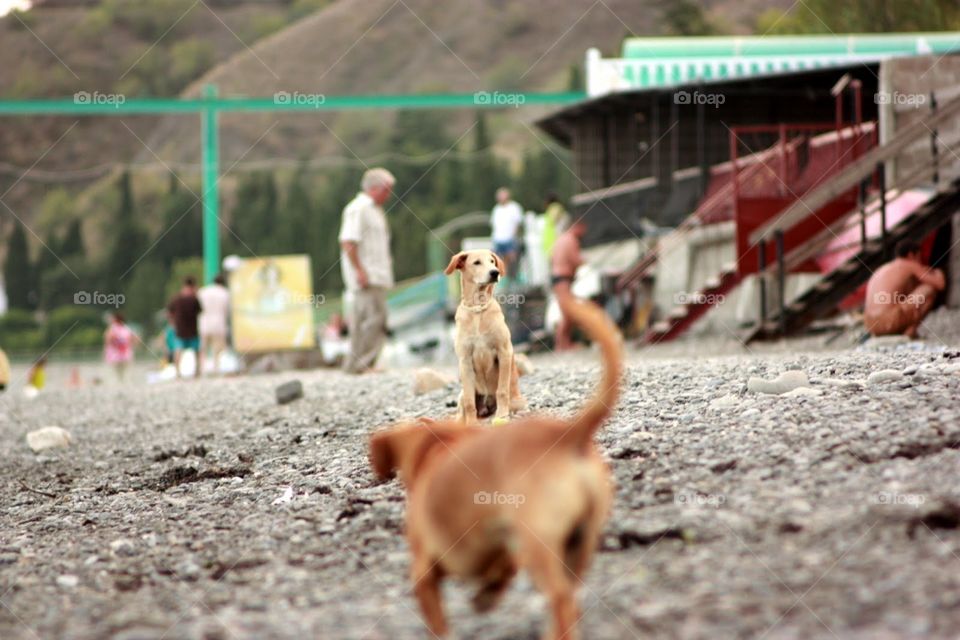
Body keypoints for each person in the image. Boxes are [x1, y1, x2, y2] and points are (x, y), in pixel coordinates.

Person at [338, 167, 396, 374]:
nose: (389, 195)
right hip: (366, 276)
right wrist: (359, 271)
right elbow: (348, 241)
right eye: (386, 190)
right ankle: (359, 365)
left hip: (377, 275)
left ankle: (365, 363)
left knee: (376, 320)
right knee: (367, 322)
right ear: (374, 188)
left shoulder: (375, 210)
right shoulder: (359, 208)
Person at [864, 240, 945, 338]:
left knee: (905, 294)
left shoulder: (884, 268)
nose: (920, 262)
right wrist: (938, 271)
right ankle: (909, 332)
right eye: (919, 257)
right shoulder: (909, 264)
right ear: (911, 255)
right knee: (928, 289)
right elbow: (940, 284)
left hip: (871, 325)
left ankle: (893, 332)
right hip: (888, 322)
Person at [551, 219, 588, 351]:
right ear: (577, 226)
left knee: (567, 312)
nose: (584, 232)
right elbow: (575, 259)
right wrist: (585, 262)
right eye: (583, 228)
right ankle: (561, 345)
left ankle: (564, 344)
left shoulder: (561, 239)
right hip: (563, 279)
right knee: (567, 313)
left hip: (558, 278)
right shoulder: (572, 240)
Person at [167, 276, 203, 378]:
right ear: (193, 286)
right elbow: (200, 311)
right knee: (196, 351)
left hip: (180, 329)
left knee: (178, 350)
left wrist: (172, 323)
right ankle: (197, 371)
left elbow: (169, 312)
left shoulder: (176, 298)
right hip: (192, 329)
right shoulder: (194, 299)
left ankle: (177, 372)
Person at [197, 273, 231, 374]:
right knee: (217, 349)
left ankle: (201, 369)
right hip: (219, 324)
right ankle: (216, 368)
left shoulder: (203, 291)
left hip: (204, 323)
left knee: (203, 348)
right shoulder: (225, 293)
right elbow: (227, 310)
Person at [490, 187, 524, 278]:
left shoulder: (514, 207)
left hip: (510, 239)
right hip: (498, 239)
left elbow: (518, 223)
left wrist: (514, 236)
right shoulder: (496, 209)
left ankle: (512, 278)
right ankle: (502, 278)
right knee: (498, 261)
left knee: (512, 261)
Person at [103, 312, 134, 382]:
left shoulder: (112, 328)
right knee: (125, 376)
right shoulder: (127, 329)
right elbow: (131, 340)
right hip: (125, 354)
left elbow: (108, 340)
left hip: (114, 355)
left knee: (114, 376)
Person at [541, 192, 569, 259]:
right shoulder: (556, 207)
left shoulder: (555, 207)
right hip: (553, 241)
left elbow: (553, 219)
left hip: (553, 241)